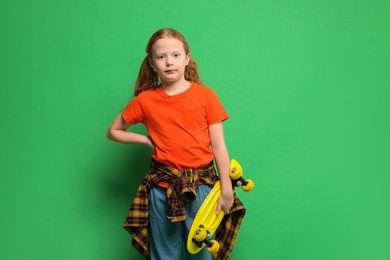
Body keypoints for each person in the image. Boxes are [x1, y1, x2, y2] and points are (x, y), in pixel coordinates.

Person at [107, 28, 245, 260]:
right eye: (161, 57)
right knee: (163, 254)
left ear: (187, 58)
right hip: (161, 189)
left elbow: (219, 147)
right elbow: (113, 131)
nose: (169, 62)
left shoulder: (206, 97)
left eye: (175, 55)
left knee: (200, 252)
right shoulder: (145, 101)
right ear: (152, 63)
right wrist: (145, 139)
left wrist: (227, 188)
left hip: (202, 189)